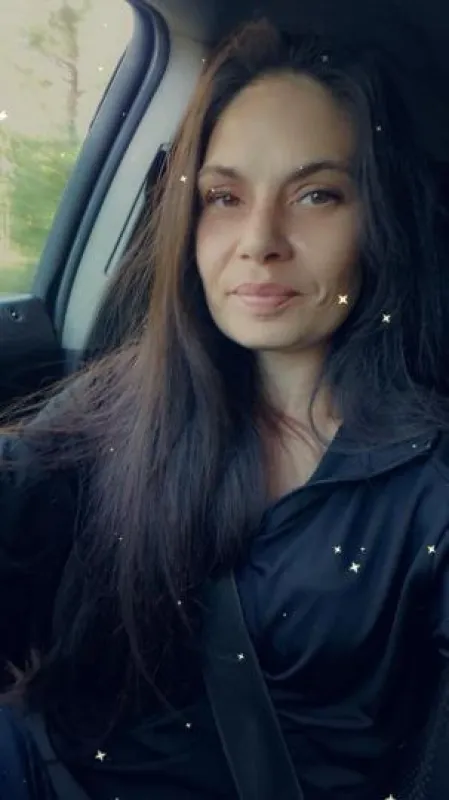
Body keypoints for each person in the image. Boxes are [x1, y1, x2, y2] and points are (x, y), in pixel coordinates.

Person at [1, 15, 449, 800]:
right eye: (224, 196)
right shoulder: (117, 404)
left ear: (379, 218)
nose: (259, 240)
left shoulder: (427, 486)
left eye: (316, 194)